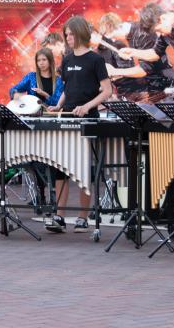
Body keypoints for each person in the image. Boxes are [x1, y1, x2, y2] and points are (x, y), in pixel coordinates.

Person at [46, 15, 112, 233]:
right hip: (66, 118)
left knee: (83, 169)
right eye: (66, 35)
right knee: (60, 169)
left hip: (87, 119)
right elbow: (67, 88)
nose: (68, 38)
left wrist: (86, 106)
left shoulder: (95, 60)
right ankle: (59, 216)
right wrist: (58, 105)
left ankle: (83, 217)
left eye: (71, 34)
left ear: (81, 33)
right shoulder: (67, 59)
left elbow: (107, 90)